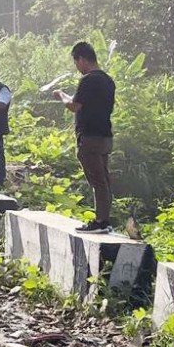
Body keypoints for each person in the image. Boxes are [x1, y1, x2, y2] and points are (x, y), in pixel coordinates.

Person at [54, 42, 116, 234]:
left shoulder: (88, 80)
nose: (76, 66)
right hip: (105, 136)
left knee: (97, 180)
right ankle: (104, 219)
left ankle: (100, 221)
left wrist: (61, 95)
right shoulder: (107, 80)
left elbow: (74, 105)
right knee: (103, 178)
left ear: (81, 59)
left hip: (89, 137)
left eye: (76, 62)